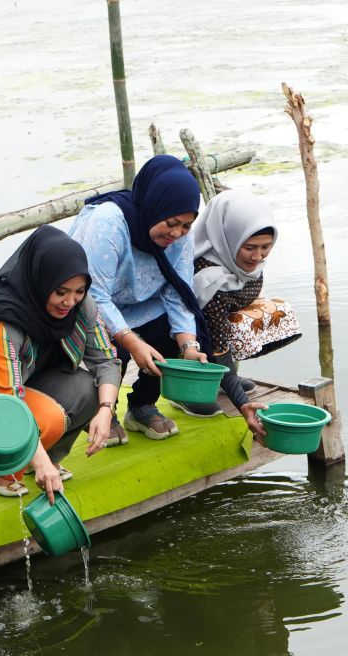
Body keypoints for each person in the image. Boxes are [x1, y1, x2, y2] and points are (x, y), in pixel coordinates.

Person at [69, 155, 265, 442]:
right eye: (171, 223)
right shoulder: (108, 223)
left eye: (186, 226)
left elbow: (178, 292)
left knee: (175, 334)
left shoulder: (180, 238)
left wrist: (188, 347)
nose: (177, 233)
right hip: (88, 305)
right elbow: (93, 293)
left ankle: (141, 406)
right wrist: (130, 339)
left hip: (141, 304)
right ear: (153, 206)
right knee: (113, 353)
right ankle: (101, 412)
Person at [0, 225, 120, 499]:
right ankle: (0, 467)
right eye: (61, 292)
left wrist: (105, 410)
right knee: (49, 418)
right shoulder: (2, 317)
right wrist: (38, 459)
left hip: (27, 380)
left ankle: (45, 459)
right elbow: (9, 398)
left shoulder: (82, 305)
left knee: (91, 387)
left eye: (79, 291)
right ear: (40, 280)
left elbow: (106, 360)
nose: (70, 301)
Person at [184, 189, 301, 412]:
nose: (258, 257)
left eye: (266, 247)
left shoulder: (242, 262)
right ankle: (188, 389)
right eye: (249, 248)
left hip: (219, 325)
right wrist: (242, 402)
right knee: (201, 340)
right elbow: (217, 345)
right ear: (228, 238)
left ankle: (223, 379)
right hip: (189, 337)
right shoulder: (210, 279)